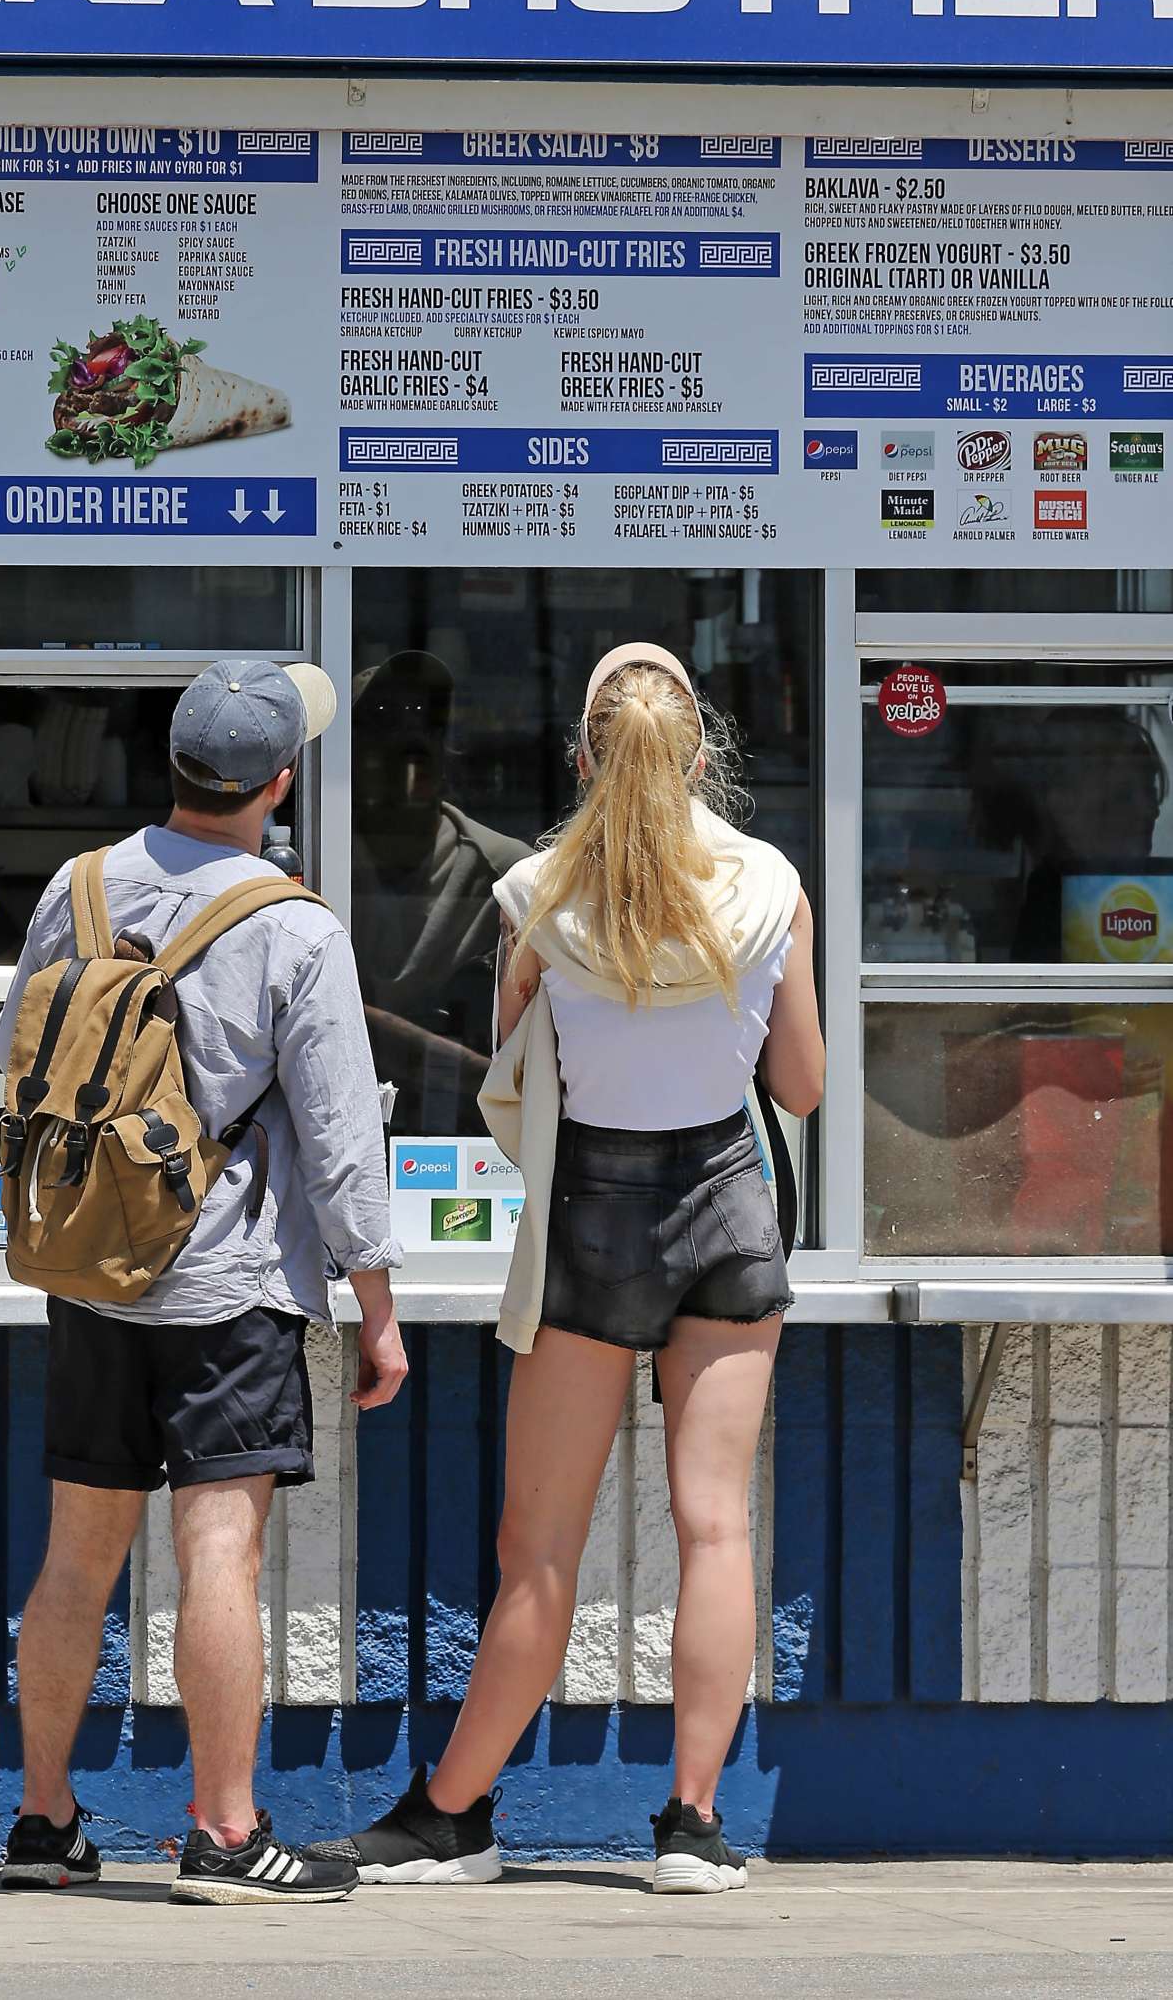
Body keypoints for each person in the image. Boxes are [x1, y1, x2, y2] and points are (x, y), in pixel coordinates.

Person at [311, 643, 824, 1894]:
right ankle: (694, 1826)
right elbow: (803, 1086)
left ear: (585, 756)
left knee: (538, 1544)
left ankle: (454, 1813)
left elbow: (513, 1072)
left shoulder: (535, 892)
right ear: (702, 756)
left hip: (591, 1217)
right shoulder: (772, 884)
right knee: (716, 1526)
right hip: (728, 1210)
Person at [0, 658, 408, 1906]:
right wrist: (377, 1310)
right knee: (218, 1552)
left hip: (91, 1276)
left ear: (170, 765)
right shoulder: (294, 924)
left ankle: (42, 1818)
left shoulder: (76, 890)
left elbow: (18, 1053)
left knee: (78, 1556)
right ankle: (225, 1833)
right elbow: (340, 1141)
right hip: (227, 1287)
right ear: (279, 782)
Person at [351, 651, 528, 1135]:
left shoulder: (503, 873)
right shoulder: (321, 859)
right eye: (380, 744)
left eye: (420, 747)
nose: (403, 774)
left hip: (463, 1139)